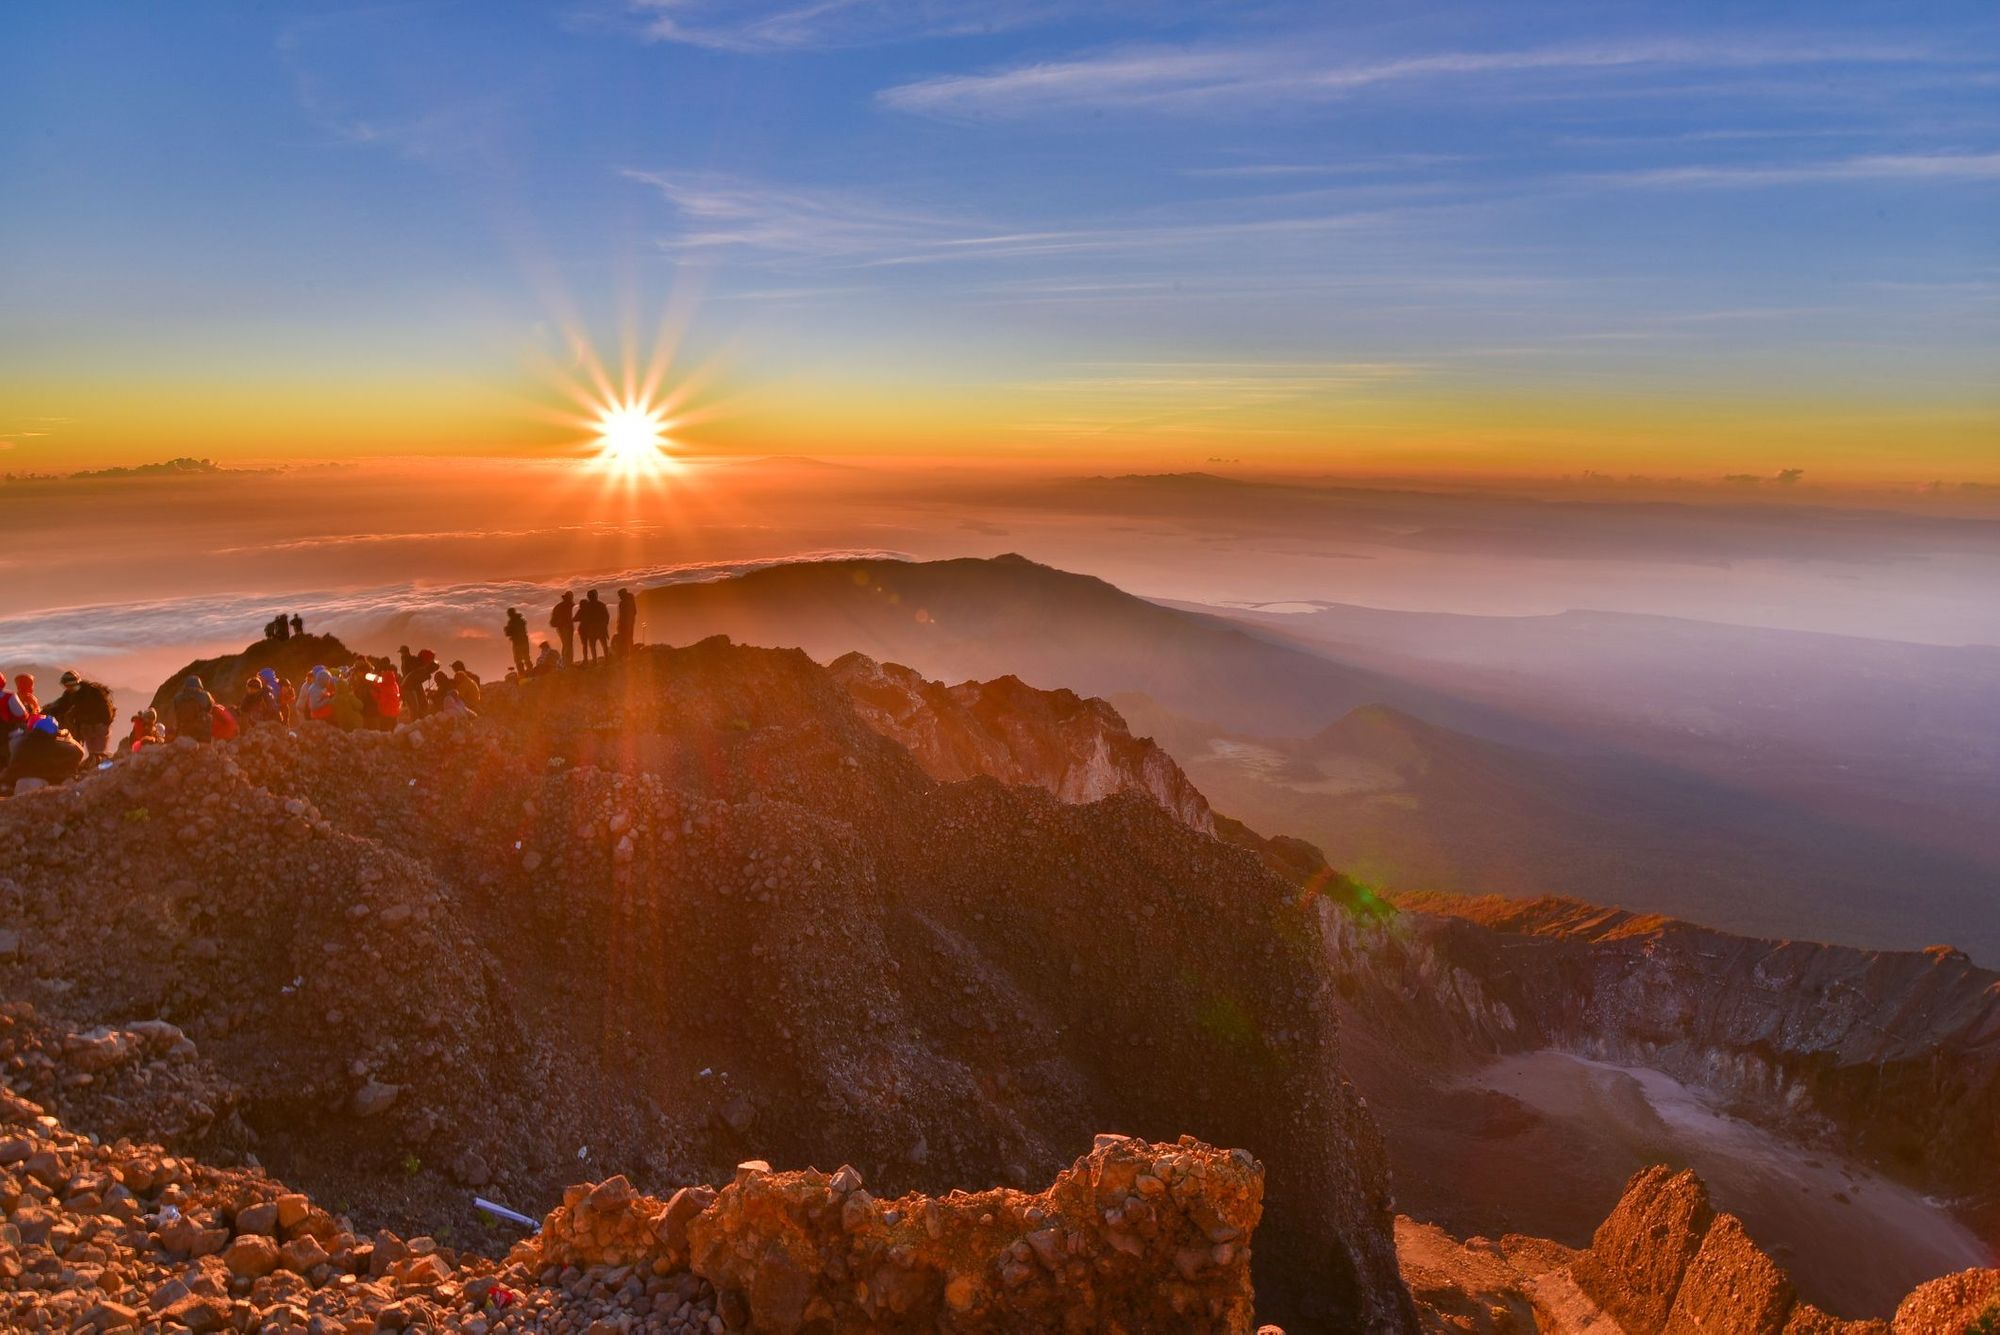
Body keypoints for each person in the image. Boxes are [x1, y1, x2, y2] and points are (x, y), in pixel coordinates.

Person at [2, 717, 86, 794]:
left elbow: (12, 767)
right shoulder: (59, 746)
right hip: (46, 786)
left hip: (23, 784)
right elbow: (80, 752)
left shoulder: (22, 744)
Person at [46, 670, 115, 759]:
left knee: (97, 752)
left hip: (99, 725)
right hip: (87, 725)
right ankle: (92, 765)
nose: (69, 688)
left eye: (70, 686)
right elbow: (61, 705)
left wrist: (99, 724)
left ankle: (99, 767)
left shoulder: (92, 694)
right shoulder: (71, 694)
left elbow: (104, 712)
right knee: (93, 752)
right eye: (67, 686)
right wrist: (48, 710)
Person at [172, 676, 215, 743]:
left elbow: (176, 710)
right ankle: (206, 742)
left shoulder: (178, 697)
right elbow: (210, 708)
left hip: (183, 728)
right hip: (200, 729)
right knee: (209, 717)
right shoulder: (205, 695)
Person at [578, 589, 610, 665]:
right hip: (601, 629)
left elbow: (584, 619)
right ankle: (607, 660)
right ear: (596, 596)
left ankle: (595, 662)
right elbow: (606, 617)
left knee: (593, 646)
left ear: (588, 597)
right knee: (604, 645)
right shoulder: (601, 605)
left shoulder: (586, 607)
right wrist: (604, 626)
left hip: (591, 630)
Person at [550, 592, 577, 667]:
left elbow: (553, 621)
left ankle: (566, 662)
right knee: (568, 644)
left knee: (566, 644)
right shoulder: (570, 605)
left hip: (561, 628)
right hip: (566, 627)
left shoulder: (559, 606)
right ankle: (567, 663)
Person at [504, 608, 532, 675]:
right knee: (526, 657)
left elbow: (508, 633)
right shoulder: (521, 620)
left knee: (518, 660)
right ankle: (530, 671)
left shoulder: (511, 622)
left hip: (517, 643)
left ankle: (522, 673)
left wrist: (506, 629)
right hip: (525, 641)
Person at [615, 588, 637, 655]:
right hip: (630, 623)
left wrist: (619, 623)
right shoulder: (631, 601)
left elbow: (621, 615)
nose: (619, 597)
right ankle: (631, 652)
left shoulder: (622, 603)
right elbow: (635, 612)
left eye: (620, 595)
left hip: (623, 624)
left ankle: (626, 653)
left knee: (624, 639)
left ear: (623, 594)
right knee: (630, 637)